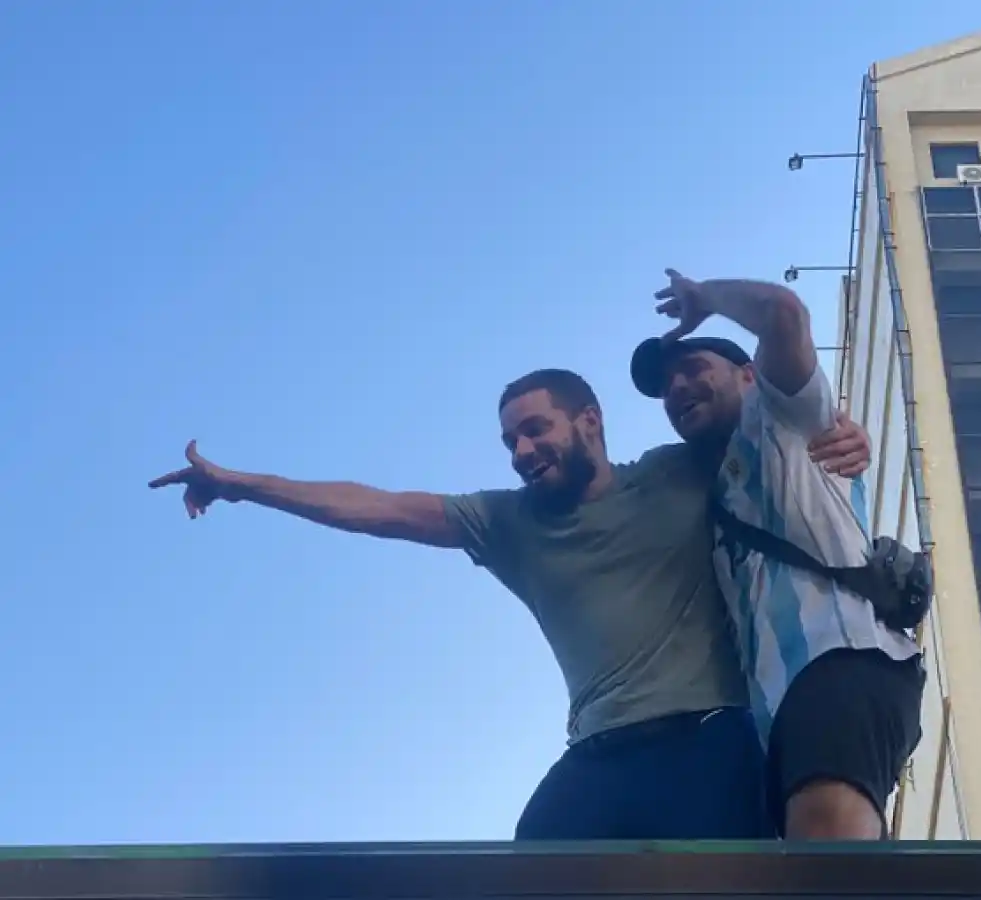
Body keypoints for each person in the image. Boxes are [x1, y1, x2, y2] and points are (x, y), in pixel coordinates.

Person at [149, 364, 871, 842]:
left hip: (710, 743)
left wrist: (835, 434)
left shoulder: (677, 471)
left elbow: (772, 434)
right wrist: (241, 485)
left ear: (588, 420)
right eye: (509, 441)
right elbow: (375, 507)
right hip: (595, 758)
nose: (522, 451)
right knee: (520, 872)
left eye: (535, 429)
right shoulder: (507, 523)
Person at [628, 269, 924, 841]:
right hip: (776, 714)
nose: (677, 388)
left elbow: (784, 315)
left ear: (747, 375)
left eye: (692, 368)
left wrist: (705, 299)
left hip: (838, 661)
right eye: (666, 386)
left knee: (827, 850)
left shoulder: (784, 417)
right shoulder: (707, 496)